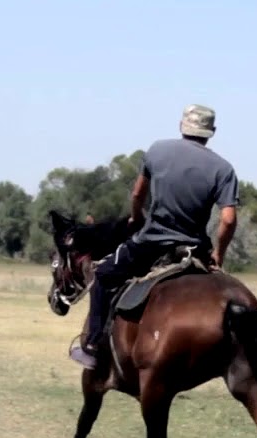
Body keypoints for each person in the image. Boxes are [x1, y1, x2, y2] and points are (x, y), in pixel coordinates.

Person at [69, 103, 240, 370]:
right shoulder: (223, 169)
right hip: (194, 250)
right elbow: (228, 219)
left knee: (103, 275)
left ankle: (92, 345)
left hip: (151, 244)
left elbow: (138, 194)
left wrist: (136, 217)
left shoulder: (157, 150)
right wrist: (219, 253)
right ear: (212, 132)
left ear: (181, 125)